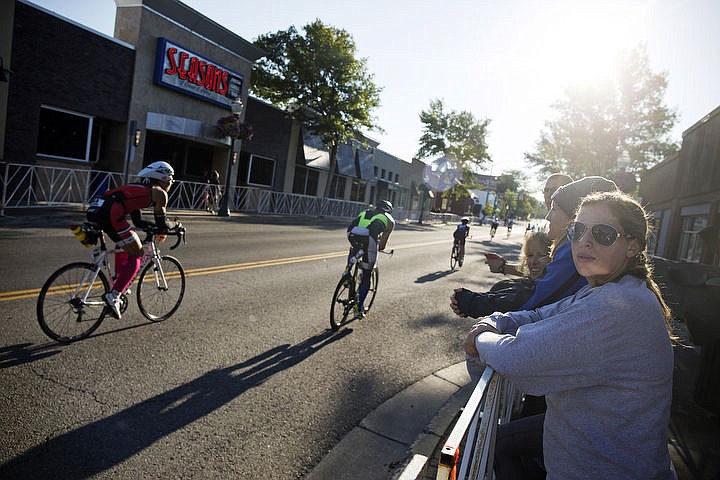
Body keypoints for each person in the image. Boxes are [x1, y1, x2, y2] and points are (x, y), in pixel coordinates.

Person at [463, 190, 677, 479]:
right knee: (503, 442)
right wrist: (498, 321)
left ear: (632, 246)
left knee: (499, 445)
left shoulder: (616, 307)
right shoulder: (608, 291)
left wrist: (480, 337)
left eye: (603, 234)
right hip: (591, 455)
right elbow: (541, 314)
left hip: (608, 469)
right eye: (577, 230)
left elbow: (516, 358)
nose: (584, 241)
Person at [86, 161, 180, 320]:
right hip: (111, 212)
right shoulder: (159, 193)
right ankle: (114, 296)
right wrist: (176, 225)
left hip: (97, 209)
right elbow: (162, 223)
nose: (171, 184)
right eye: (171, 180)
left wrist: (153, 228)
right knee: (138, 252)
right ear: (163, 178)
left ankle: (118, 280)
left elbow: (138, 222)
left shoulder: (138, 189)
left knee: (125, 242)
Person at [451, 231, 551, 318]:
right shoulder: (539, 280)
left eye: (541, 255)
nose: (533, 261)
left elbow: (507, 301)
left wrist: (469, 302)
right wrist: (503, 267)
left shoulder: (540, 288)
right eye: (529, 255)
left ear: (553, 258)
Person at [346, 200, 395, 318]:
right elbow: (382, 243)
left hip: (351, 233)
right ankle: (359, 307)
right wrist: (381, 248)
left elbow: (357, 225)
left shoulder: (366, 212)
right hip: (369, 239)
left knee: (355, 249)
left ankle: (347, 274)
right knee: (367, 274)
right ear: (389, 210)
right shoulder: (390, 220)